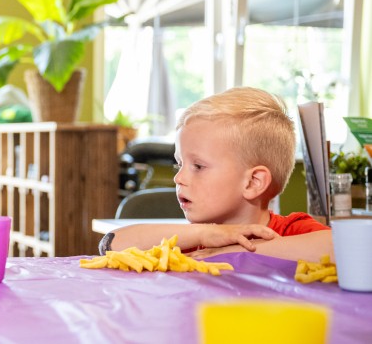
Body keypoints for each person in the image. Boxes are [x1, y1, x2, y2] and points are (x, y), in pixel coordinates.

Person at [103, 87, 332, 262]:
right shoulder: (199, 238)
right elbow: (111, 244)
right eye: (179, 164)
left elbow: (340, 248)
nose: (178, 178)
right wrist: (203, 234)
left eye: (198, 166)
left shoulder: (290, 232)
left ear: (253, 182)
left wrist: (236, 252)